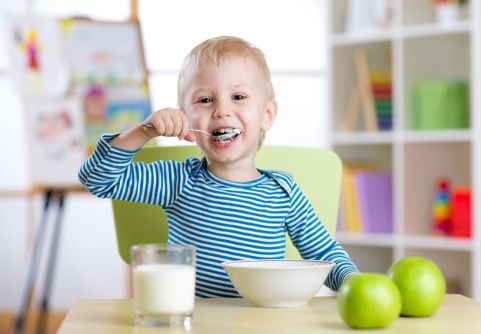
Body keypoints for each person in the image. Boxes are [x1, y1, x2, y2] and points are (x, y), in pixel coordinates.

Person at [79, 36, 359, 298]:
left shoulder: (284, 192)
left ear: (267, 114)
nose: (221, 110)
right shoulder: (177, 180)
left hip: (260, 323)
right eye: (205, 100)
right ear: (185, 117)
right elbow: (98, 179)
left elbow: (324, 252)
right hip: (194, 321)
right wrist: (144, 131)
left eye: (238, 97)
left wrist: (353, 282)